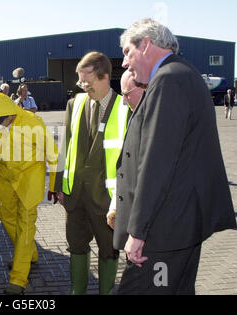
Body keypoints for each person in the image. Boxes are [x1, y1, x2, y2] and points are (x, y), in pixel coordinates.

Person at [116, 18, 236, 295]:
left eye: (127, 53)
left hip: (162, 234)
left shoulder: (168, 81)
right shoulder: (184, 74)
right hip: (177, 227)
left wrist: (138, 232)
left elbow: (157, 163)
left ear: (145, 44)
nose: (124, 63)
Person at [0, 89, 59, 295]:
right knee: (6, 218)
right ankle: (29, 253)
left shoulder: (33, 122)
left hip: (29, 177)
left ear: (11, 116)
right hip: (5, 177)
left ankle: (18, 279)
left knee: (26, 225)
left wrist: (55, 186)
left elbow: (53, 154)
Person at [54, 51, 129, 295]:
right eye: (81, 82)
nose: (84, 87)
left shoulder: (125, 108)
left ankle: (106, 291)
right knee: (76, 246)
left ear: (105, 76)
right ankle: (78, 291)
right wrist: (58, 185)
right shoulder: (74, 104)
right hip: (74, 195)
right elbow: (65, 146)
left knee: (109, 249)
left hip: (107, 199)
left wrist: (123, 200)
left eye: (88, 82)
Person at [106, 70, 145, 230]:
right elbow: (124, 167)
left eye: (127, 94)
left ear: (145, 88)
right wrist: (114, 207)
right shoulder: (133, 118)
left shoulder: (158, 122)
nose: (123, 99)